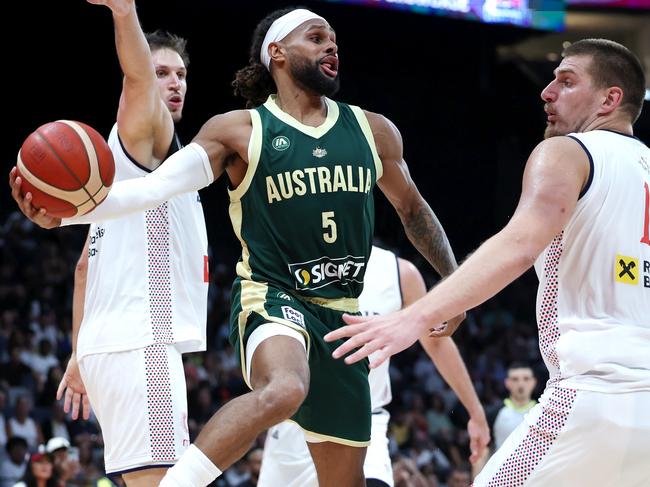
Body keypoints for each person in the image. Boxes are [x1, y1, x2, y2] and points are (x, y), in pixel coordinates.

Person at [10, 7, 464, 487]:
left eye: (334, 39)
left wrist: (455, 284)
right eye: (316, 38)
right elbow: (152, 188)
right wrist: (66, 214)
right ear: (278, 53)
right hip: (271, 298)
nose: (332, 46)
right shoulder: (239, 131)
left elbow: (414, 211)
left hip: (342, 315)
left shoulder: (374, 131)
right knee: (285, 388)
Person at [326, 39, 650, 486]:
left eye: (567, 81)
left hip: (592, 396)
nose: (547, 91)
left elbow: (519, 244)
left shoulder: (568, 151)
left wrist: (416, 316)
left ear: (610, 99)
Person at [11, 0, 208, 485]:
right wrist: (125, 13)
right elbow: (136, 80)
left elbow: (84, 269)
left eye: (181, 74)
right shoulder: (147, 135)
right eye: (163, 71)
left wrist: (80, 354)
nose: (174, 82)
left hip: (106, 346)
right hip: (143, 338)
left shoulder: (114, 182)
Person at [258, 246, 489, 487]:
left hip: (365, 421)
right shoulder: (292, 258)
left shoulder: (400, 273)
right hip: (297, 424)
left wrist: (475, 411)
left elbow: (437, 344)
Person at [491, 363, 536, 449]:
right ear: (507, 383)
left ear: (533, 382)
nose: (521, 384)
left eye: (526, 379)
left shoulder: (544, 411)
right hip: (501, 462)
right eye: (515, 379)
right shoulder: (494, 412)